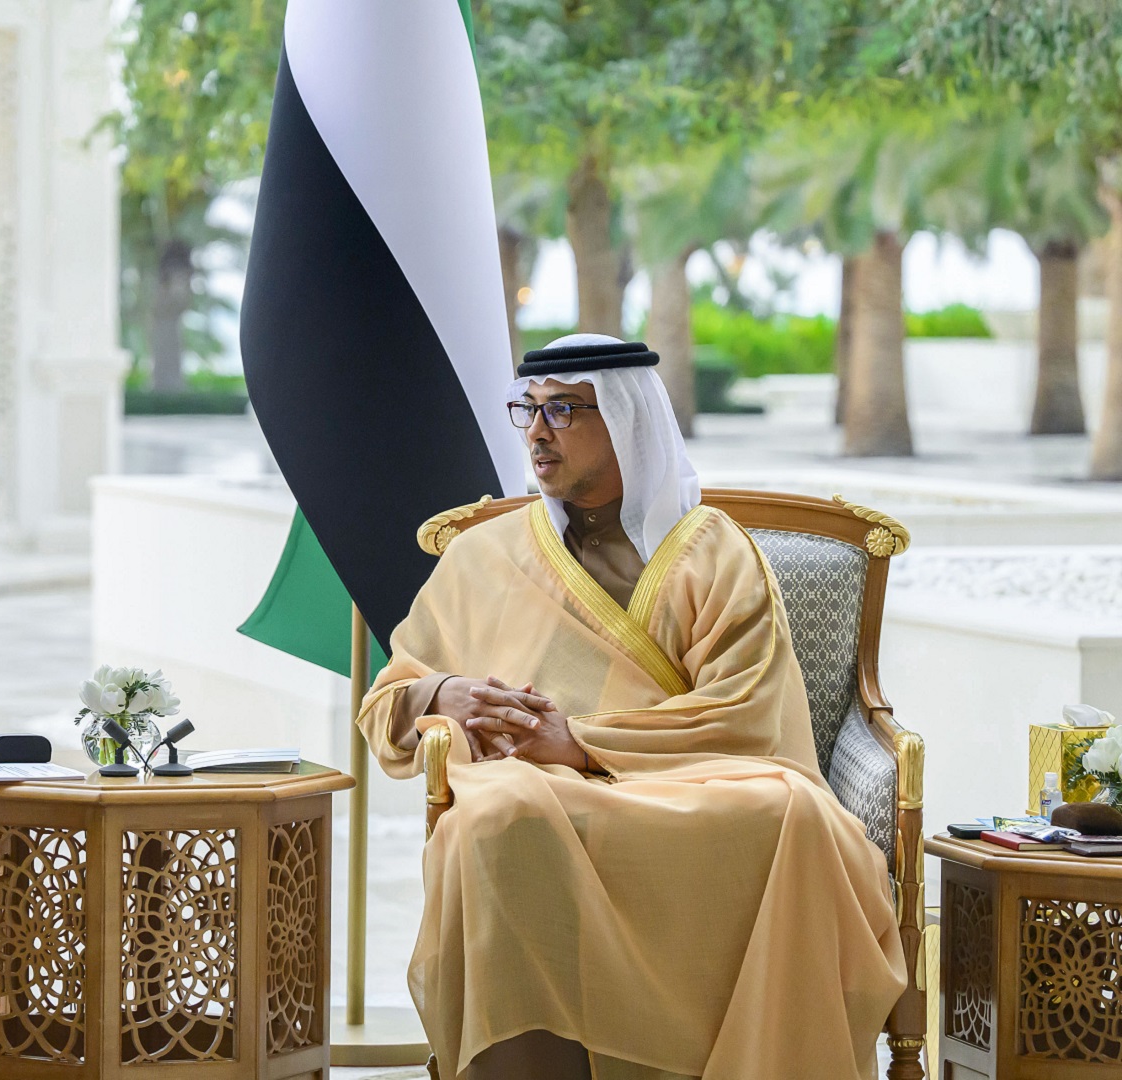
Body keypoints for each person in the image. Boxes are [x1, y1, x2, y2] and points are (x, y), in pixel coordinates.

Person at [356, 335, 907, 1080]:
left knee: (795, 815)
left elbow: (745, 715)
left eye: (561, 410)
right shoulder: (482, 555)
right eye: (528, 409)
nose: (537, 431)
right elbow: (387, 702)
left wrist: (583, 743)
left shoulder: (712, 552)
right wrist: (443, 693)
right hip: (537, 787)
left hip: (689, 782)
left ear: (625, 421)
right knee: (492, 818)